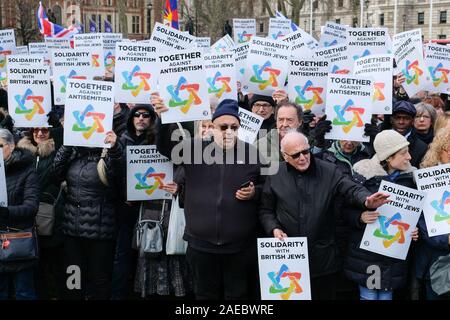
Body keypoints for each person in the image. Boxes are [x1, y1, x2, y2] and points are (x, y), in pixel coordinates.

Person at [153, 96, 265, 300]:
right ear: (212, 127)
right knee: (205, 295)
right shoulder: (193, 149)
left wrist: (254, 192)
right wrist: (162, 118)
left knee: (237, 296)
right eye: (223, 127)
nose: (228, 132)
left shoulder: (253, 153)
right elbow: (164, 148)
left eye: (234, 127)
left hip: (239, 246)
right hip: (200, 245)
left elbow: (268, 188)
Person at [259, 131, 390, 300]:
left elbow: (350, 189)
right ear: (285, 156)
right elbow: (265, 210)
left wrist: (366, 200)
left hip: (323, 258)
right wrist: (273, 228)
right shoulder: (275, 175)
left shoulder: (329, 170)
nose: (303, 157)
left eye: (306, 151)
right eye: (296, 154)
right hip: (288, 258)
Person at [345, 130, 419, 300]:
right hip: (365, 256)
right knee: (368, 296)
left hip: (394, 254)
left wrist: (414, 229)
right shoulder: (362, 177)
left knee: (387, 296)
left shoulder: (412, 179)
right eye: (403, 153)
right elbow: (344, 210)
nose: (409, 157)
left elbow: (419, 214)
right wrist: (360, 217)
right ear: (388, 157)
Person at [51, 131, 122, 300]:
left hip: (100, 230)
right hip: (72, 230)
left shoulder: (109, 157)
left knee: (99, 278)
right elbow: (55, 173)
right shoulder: (74, 156)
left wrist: (114, 148)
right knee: (73, 276)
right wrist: (67, 143)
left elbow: (118, 175)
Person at [111, 104, 157, 299]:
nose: (141, 118)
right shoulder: (121, 140)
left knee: (150, 253)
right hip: (126, 206)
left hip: (151, 207)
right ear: (131, 119)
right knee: (122, 254)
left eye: (146, 115)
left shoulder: (158, 141)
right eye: (136, 115)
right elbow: (114, 173)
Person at [17, 127, 64, 299]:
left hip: (49, 216)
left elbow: (62, 145)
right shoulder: (21, 152)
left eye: (45, 130)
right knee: (32, 264)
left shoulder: (54, 152)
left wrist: (56, 126)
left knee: (51, 261)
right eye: (36, 130)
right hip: (26, 217)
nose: (40, 133)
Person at [0, 129, 39, 300]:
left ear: (12, 145)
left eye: (0, 145)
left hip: (18, 242)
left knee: (24, 293)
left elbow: (31, 207)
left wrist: (7, 212)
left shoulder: (27, 171)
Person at [416, 127, 450, 300]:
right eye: (448, 148)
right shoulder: (427, 180)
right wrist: (446, 239)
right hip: (436, 263)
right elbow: (424, 224)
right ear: (439, 150)